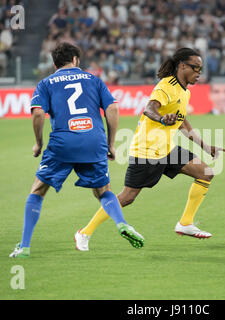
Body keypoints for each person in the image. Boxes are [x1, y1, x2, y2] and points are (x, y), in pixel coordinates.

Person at [74, 48, 225, 251]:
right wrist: (163, 118)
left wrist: (205, 146)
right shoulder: (166, 86)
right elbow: (149, 108)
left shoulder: (184, 91)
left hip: (167, 148)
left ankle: (185, 223)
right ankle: (84, 233)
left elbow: (182, 123)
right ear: (182, 66)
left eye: (201, 68)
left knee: (205, 172)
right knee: (127, 197)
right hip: (146, 151)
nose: (199, 72)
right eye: (195, 68)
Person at [9, 43, 144, 258]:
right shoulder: (93, 80)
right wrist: (110, 143)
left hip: (63, 142)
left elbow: (37, 114)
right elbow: (113, 108)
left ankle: (24, 246)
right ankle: (121, 223)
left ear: (54, 64)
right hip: (93, 140)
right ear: (76, 60)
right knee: (103, 191)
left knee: (38, 191)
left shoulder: (46, 83)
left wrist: (38, 143)